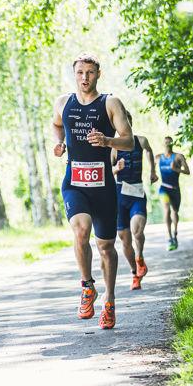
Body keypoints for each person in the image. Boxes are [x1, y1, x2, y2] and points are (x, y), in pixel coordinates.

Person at [53, 53, 133, 330]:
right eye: (80, 72)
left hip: (103, 187)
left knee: (106, 247)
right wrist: (60, 143)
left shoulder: (110, 103)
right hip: (74, 182)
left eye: (89, 72)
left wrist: (108, 140)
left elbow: (129, 141)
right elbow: (56, 125)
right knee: (80, 230)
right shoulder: (63, 103)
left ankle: (109, 299)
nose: (84, 78)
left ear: (98, 74)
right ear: (74, 74)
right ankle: (87, 287)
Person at [111, 110, 158, 290]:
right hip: (119, 195)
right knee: (124, 239)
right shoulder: (114, 147)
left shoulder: (141, 141)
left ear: (130, 123)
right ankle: (134, 273)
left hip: (137, 193)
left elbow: (149, 151)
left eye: (127, 121)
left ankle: (139, 258)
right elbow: (106, 172)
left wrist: (153, 171)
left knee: (137, 231)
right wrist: (116, 169)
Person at [157, 136, 190, 250]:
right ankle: (169, 237)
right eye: (166, 142)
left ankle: (175, 234)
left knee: (175, 212)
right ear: (163, 144)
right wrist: (153, 174)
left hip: (175, 189)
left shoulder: (178, 157)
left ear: (173, 144)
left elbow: (187, 171)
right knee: (166, 209)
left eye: (170, 143)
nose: (168, 144)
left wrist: (176, 170)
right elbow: (151, 167)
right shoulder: (158, 157)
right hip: (164, 188)